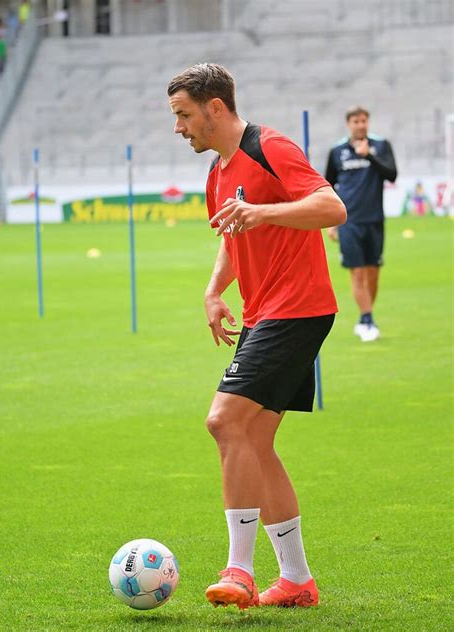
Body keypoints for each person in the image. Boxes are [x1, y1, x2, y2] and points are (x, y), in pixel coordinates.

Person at [167, 63, 346, 610]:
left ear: (214, 107)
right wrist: (214, 290)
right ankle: (295, 580)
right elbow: (231, 232)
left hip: (298, 309)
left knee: (224, 421)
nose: (178, 128)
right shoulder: (218, 173)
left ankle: (239, 571)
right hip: (264, 314)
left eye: (183, 115)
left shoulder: (270, 146)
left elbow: (331, 206)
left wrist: (262, 210)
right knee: (255, 441)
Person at [325, 107, 397, 342]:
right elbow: (328, 185)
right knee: (357, 272)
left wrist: (369, 156)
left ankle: (366, 316)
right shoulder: (337, 151)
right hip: (349, 221)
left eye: (363, 121)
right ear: (349, 124)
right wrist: (331, 223)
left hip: (375, 219)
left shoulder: (381, 145)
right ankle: (367, 319)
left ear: (368, 122)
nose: (360, 125)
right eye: (355, 121)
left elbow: (392, 174)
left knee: (373, 272)